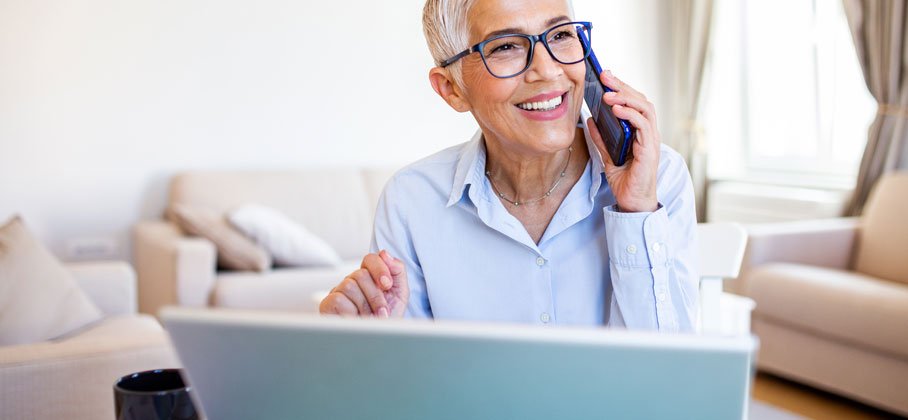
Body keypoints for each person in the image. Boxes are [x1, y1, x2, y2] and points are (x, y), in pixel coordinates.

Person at [319, 0, 698, 332]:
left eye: (561, 35)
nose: (548, 70)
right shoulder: (411, 201)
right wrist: (362, 347)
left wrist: (638, 211)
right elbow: (409, 388)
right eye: (505, 47)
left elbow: (670, 382)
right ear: (452, 89)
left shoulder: (657, 176)